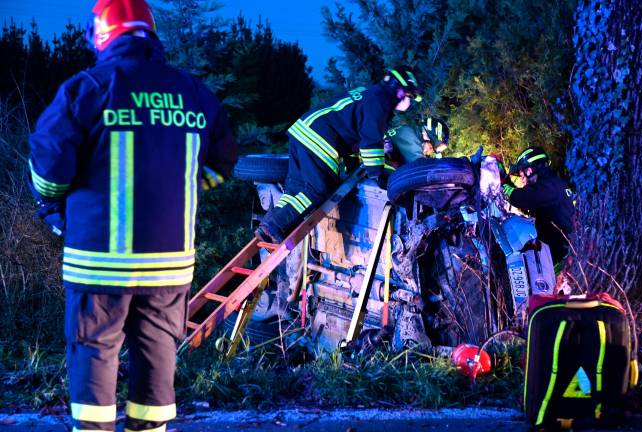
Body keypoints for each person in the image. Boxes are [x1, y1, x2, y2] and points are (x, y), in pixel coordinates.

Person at [27, 1, 237, 431]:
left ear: (102, 35)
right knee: (158, 352)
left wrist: (58, 205)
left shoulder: (87, 88)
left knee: (94, 350)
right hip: (170, 263)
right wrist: (181, 190)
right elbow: (222, 162)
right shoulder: (194, 92)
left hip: (99, 261)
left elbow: (48, 171)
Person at [256, 65, 422, 243]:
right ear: (398, 89)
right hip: (319, 139)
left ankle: (268, 226)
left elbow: (353, 135)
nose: (409, 102)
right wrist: (379, 176)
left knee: (296, 188)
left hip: (302, 131)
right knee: (317, 190)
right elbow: (370, 143)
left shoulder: (371, 93)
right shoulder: (379, 102)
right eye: (409, 96)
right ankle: (277, 225)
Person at [503, 146, 575, 263]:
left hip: (561, 257)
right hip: (558, 251)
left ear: (529, 170)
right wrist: (507, 182)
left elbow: (522, 198)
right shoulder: (553, 183)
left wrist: (502, 185)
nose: (522, 180)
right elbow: (528, 200)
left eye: (522, 175)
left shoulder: (550, 187)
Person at [383, 116, 450, 167]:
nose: (429, 153)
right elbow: (419, 168)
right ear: (424, 134)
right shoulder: (409, 137)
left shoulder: (409, 129)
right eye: (431, 148)